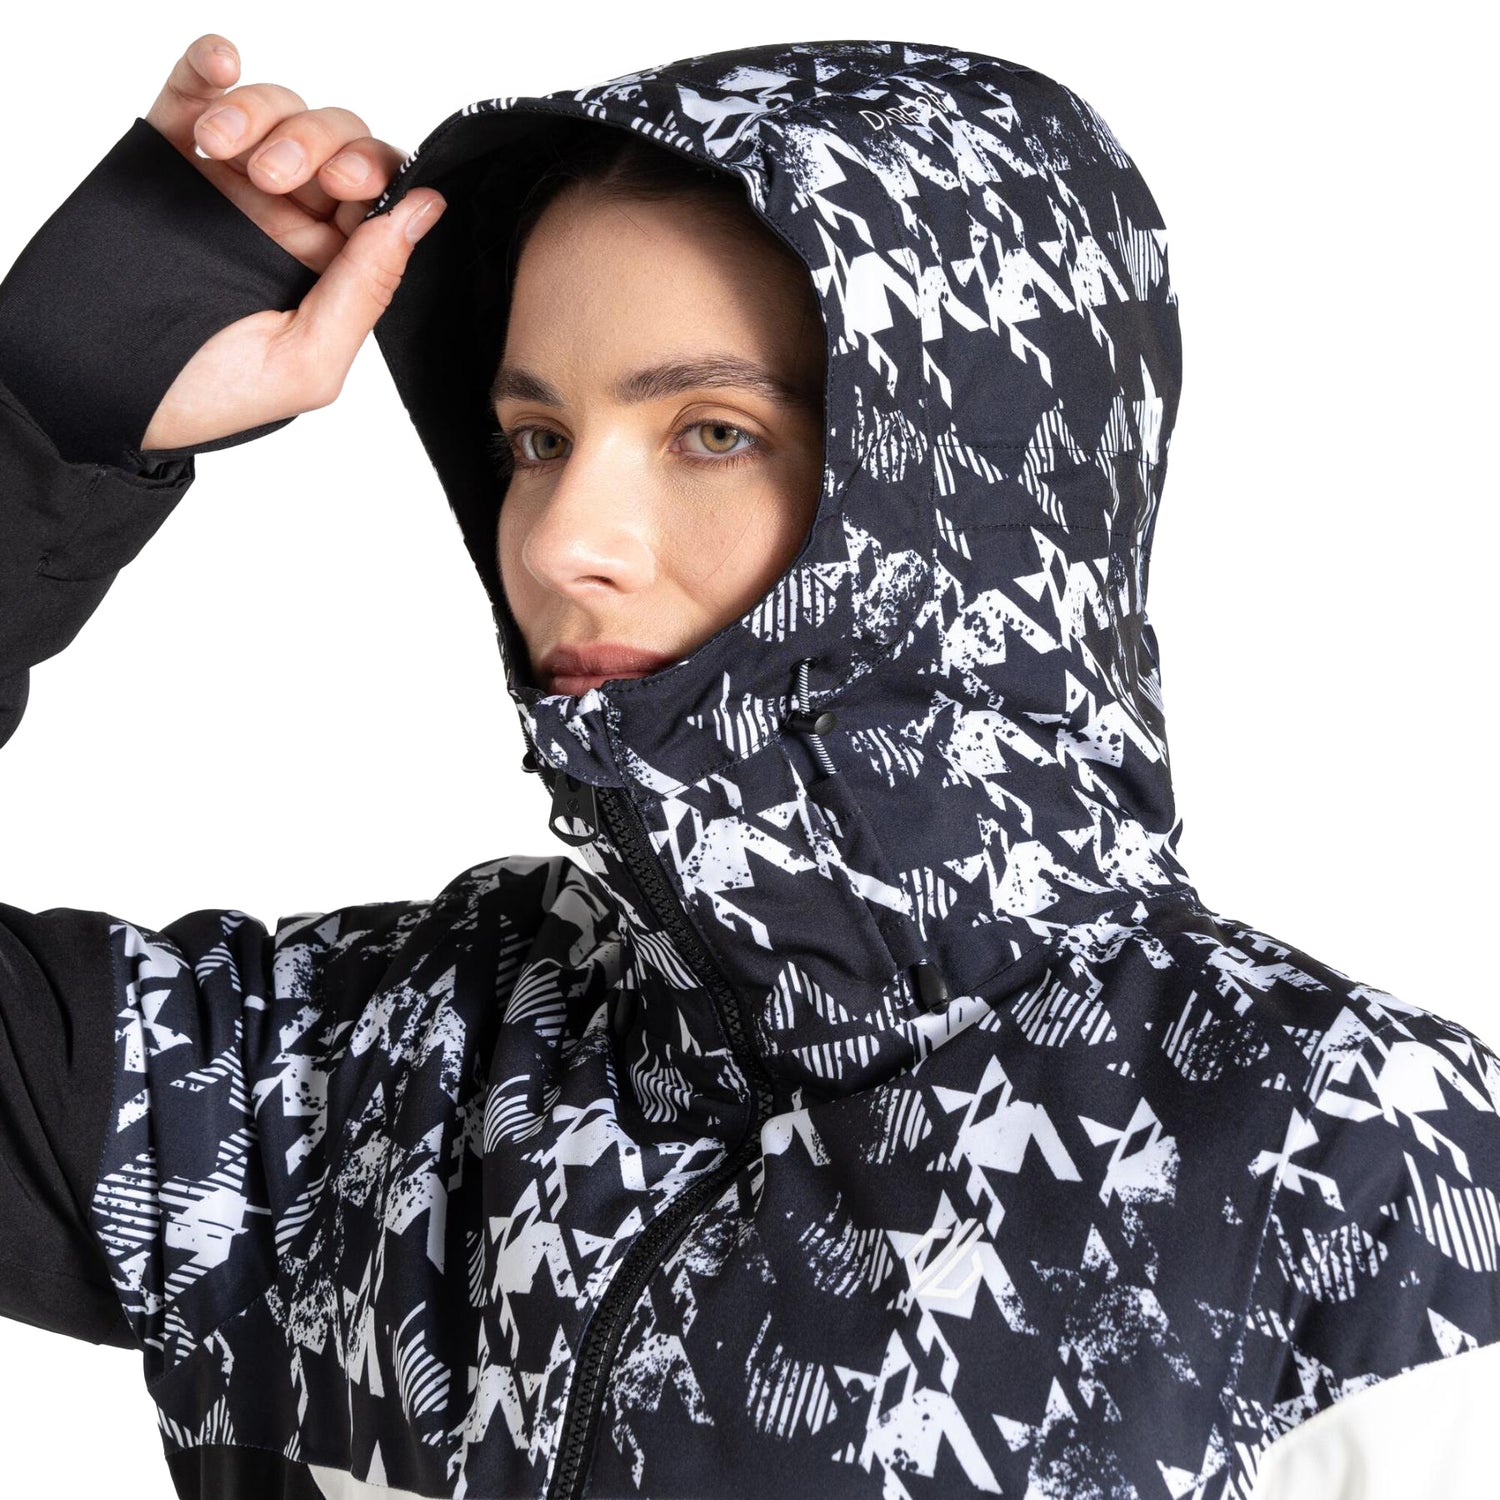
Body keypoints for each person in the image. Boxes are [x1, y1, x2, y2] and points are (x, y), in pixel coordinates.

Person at [1, 30, 1497, 1500]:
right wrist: (56, 407)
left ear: (963, 493)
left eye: (711, 432)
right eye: (535, 439)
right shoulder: (358, 1083)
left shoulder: (1349, 1161)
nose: (562, 542)